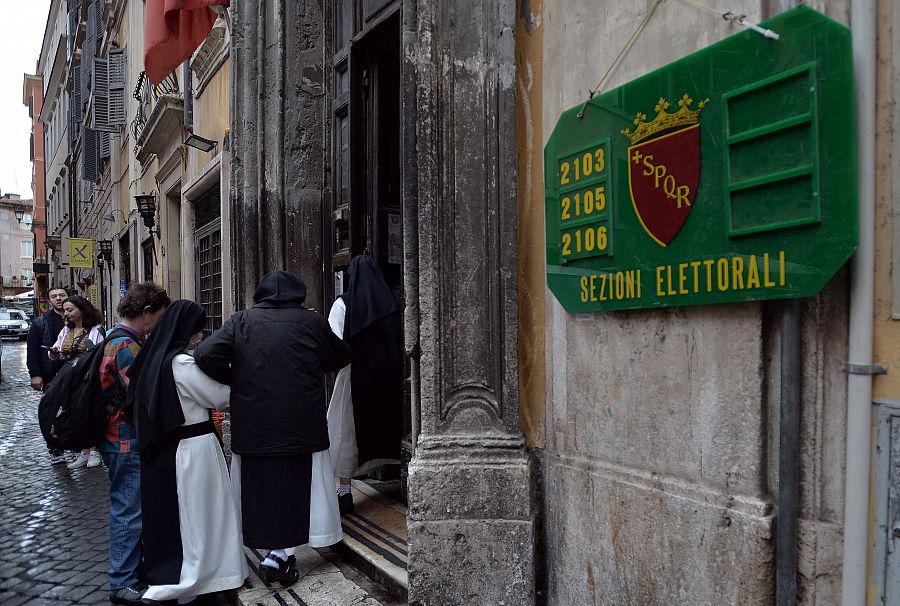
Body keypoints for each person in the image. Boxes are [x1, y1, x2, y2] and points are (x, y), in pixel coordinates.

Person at [194, 270, 351, 585]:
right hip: (301, 421)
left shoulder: (241, 321)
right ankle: (280, 554)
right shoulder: (311, 322)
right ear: (298, 295)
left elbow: (204, 354)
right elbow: (341, 355)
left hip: (256, 422)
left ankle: (276, 552)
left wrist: (237, 378)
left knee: (262, 490)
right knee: (299, 488)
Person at [127, 300, 245, 606]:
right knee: (203, 517)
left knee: (187, 519)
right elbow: (221, 398)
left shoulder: (154, 359)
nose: (198, 338)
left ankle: (192, 579)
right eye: (197, 332)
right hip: (193, 450)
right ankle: (204, 579)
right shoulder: (180, 364)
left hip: (169, 450)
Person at [98, 283, 170, 605]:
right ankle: (122, 581)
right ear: (145, 313)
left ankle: (129, 572)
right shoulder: (126, 345)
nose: (159, 324)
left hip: (117, 439)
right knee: (128, 509)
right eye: (159, 316)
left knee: (129, 506)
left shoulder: (115, 337)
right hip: (124, 440)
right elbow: (141, 393)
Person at [326, 255, 404, 514]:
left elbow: (333, 343)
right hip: (389, 377)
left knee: (346, 434)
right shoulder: (395, 301)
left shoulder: (343, 304)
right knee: (391, 427)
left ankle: (345, 491)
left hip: (353, 377)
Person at [49, 295, 105, 470]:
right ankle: (84, 450)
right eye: (65, 310)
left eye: (70, 310)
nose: (66, 313)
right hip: (70, 377)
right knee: (74, 414)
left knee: (89, 412)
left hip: (88, 377)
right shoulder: (66, 330)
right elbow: (57, 349)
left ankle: (95, 450)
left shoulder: (96, 330)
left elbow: (101, 352)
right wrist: (54, 352)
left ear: (82, 310)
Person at [26, 286, 68, 465]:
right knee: (50, 413)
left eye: (62, 295)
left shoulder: (79, 319)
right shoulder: (40, 323)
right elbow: (33, 350)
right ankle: (55, 448)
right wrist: (35, 374)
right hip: (51, 375)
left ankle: (75, 444)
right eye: (54, 296)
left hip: (75, 374)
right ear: (49, 301)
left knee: (74, 411)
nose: (58, 299)